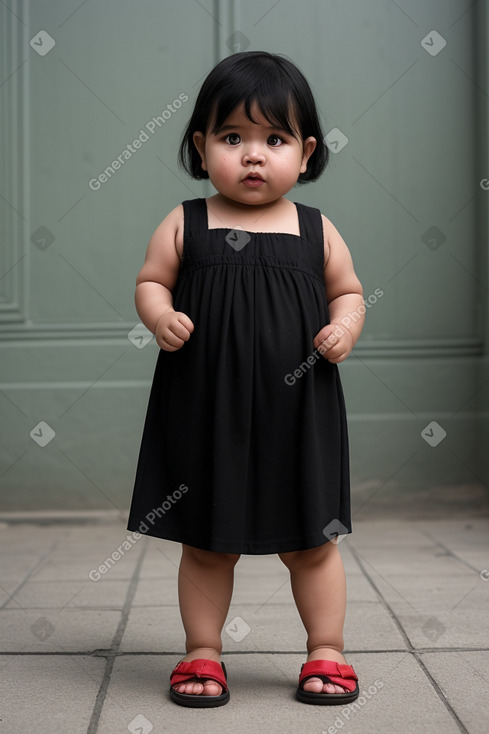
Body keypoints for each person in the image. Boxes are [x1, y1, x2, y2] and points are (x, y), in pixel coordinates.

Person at [127, 50, 365, 707]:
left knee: (313, 542)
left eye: (274, 139)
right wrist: (160, 314)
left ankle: (327, 650)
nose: (253, 155)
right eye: (232, 138)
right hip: (208, 409)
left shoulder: (316, 231)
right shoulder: (186, 222)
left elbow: (348, 293)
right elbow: (150, 280)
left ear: (307, 151)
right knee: (207, 542)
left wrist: (343, 329)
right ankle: (202, 652)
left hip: (299, 413)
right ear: (201, 147)